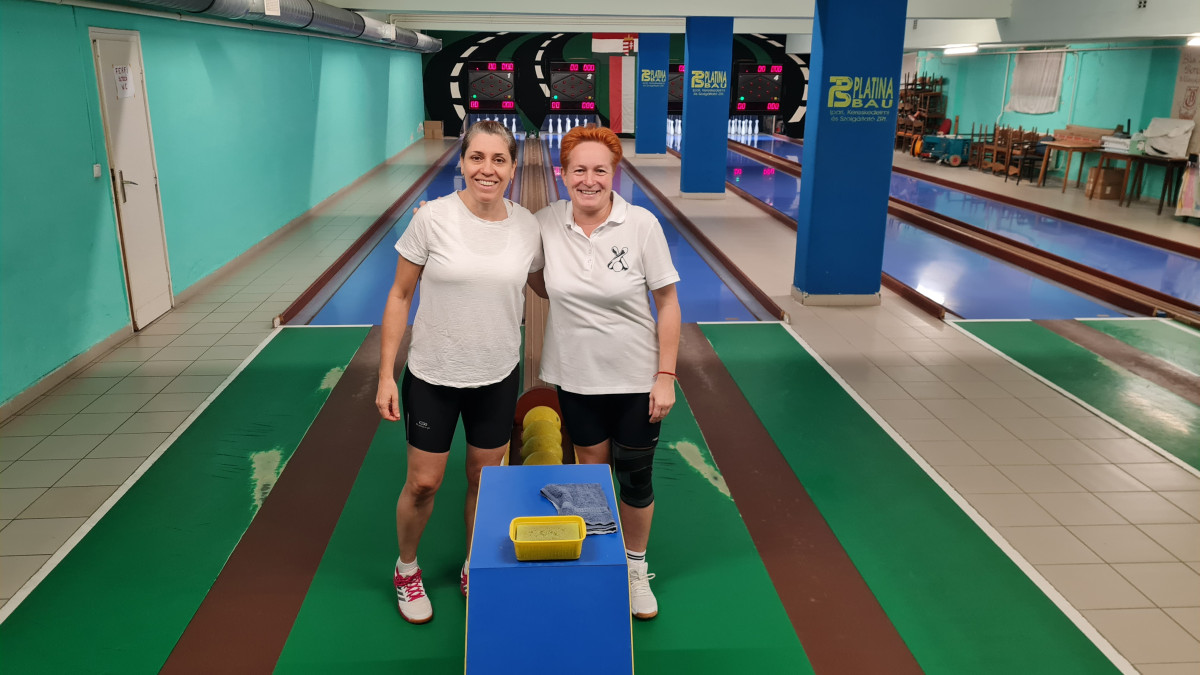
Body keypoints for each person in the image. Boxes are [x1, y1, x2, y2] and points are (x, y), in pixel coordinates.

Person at [376, 120, 542, 624]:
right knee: (423, 483)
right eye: (477, 157)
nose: (487, 169)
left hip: (497, 375)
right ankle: (406, 569)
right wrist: (386, 374)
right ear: (462, 162)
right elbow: (400, 295)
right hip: (433, 374)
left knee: (484, 482)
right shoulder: (432, 219)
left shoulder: (527, 226)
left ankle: (475, 563)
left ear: (513, 168)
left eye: (498, 160)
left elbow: (548, 284)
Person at [530, 125, 681, 620]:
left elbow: (668, 303)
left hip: (637, 379)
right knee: (591, 478)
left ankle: (635, 567)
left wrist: (666, 375)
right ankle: (599, 557)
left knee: (635, 479)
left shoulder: (641, 225)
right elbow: (531, 273)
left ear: (614, 173)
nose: (589, 180)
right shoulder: (546, 222)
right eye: (579, 170)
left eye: (600, 170)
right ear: (563, 174)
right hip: (575, 377)